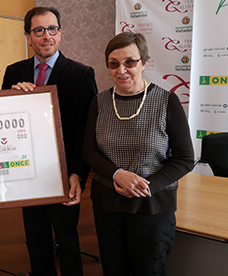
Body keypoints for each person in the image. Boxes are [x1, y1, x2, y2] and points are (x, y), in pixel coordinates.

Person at [82, 32, 194, 276]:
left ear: (144, 62)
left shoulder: (167, 101)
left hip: (152, 206)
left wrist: (147, 186)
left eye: (129, 62)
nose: (121, 70)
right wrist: (117, 174)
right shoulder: (99, 103)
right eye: (114, 63)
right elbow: (89, 151)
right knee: (113, 269)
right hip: (108, 204)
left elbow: (185, 158)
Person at [2, 7, 98, 276]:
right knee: (35, 241)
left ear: (60, 33)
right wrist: (11, 98)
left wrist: (78, 173)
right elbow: (3, 125)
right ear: (28, 36)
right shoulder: (13, 73)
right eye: (39, 30)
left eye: (52, 29)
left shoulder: (81, 74)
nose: (47, 36)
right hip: (26, 172)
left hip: (64, 175)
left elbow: (85, 131)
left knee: (67, 242)